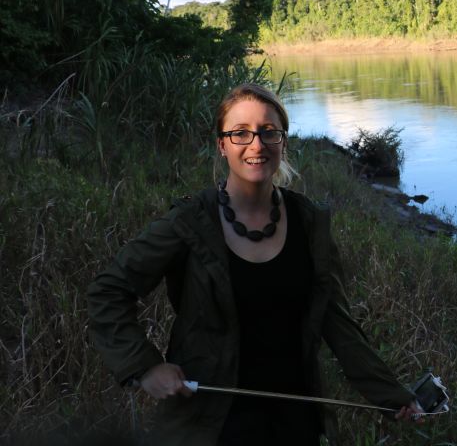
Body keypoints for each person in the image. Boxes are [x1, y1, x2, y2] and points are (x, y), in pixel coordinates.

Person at [87, 83, 421, 446]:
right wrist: (145, 366)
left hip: (294, 421)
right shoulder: (189, 222)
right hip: (209, 423)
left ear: (283, 141)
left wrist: (392, 395)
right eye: (241, 133)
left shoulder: (310, 223)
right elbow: (108, 292)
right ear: (222, 144)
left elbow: (338, 323)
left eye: (268, 132)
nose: (256, 145)